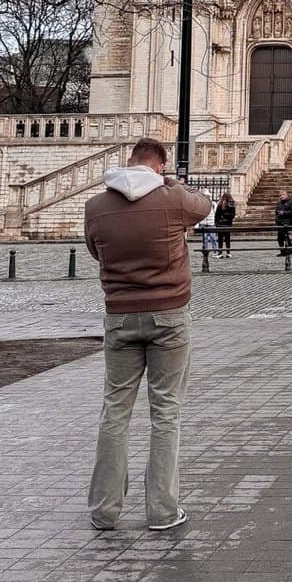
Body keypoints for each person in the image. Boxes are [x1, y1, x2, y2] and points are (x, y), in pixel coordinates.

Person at [84, 136, 210, 533]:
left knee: (115, 412)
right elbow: (204, 206)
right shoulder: (172, 199)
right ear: (160, 166)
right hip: (169, 317)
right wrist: (171, 185)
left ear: (129, 161)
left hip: (119, 317)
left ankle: (104, 510)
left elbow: (95, 250)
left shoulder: (96, 206)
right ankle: (162, 511)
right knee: (166, 412)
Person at [212, 190, 236, 257]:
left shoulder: (220, 204)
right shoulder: (232, 204)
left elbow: (217, 215)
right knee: (227, 238)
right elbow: (233, 215)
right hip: (228, 224)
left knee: (220, 239)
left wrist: (216, 222)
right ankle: (228, 252)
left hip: (220, 224)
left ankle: (220, 253)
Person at [274, 192, 292, 258]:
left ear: (287, 195)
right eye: (280, 195)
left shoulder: (290, 202)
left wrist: (284, 213)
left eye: (283, 195)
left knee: (283, 235)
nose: (281, 196)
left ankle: (289, 247)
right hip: (281, 221)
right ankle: (284, 250)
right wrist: (278, 214)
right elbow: (276, 212)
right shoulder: (279, 203)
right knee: (280, 237)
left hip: (289, 221)